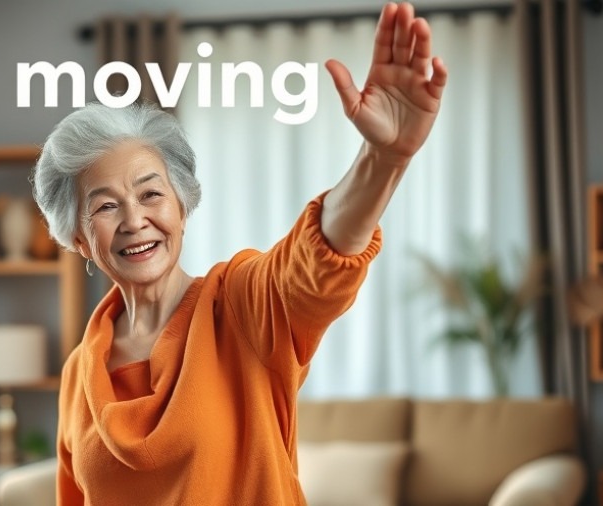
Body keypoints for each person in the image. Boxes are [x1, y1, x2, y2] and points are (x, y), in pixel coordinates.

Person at [31, 2, 447, 504]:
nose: (134, 219)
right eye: (105, 206)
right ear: (79, 239)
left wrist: (382, 159)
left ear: (183, 207)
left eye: (151, 193)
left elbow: (314, 263)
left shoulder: (242, 307)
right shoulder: (80, 370)